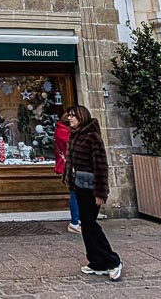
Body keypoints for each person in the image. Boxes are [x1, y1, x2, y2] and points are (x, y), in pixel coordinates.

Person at [63, 105, 121, 282]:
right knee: (86, 226)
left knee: (90, 224)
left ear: (81, 116)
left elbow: (101, 166)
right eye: (69, 116)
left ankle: (113, 260)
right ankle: (97, 262)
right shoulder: (75, 135)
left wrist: (100, 193)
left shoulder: (92, 137)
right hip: (79, 185)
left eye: (73, 116)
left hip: (92, 187)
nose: (69, 119)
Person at [53, 114, 80, 234]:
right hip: (71, 165)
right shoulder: (63, 131)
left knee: (78, 193)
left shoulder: (66, 130)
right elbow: (74, 145)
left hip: (75, 164)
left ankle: (78, 220)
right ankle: (75, 222)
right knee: (75, 193)